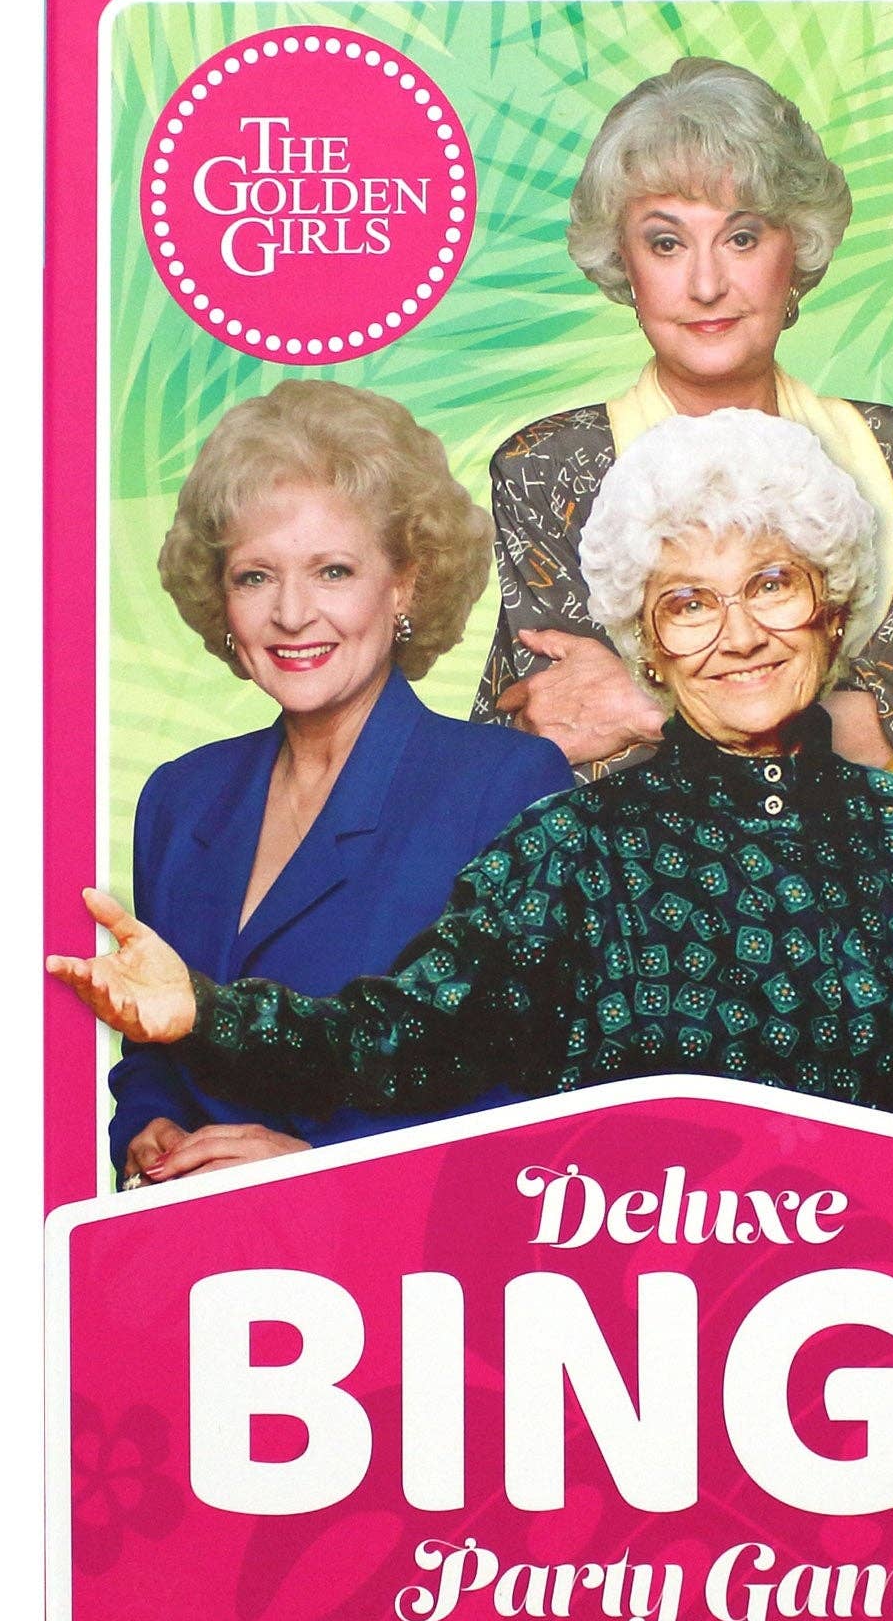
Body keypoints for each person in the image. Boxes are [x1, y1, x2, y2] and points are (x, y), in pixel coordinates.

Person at [52, 412, 893, 1151]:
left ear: (831, 605)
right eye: (688, 603)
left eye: (772, 585)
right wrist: (200, 1012)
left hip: (885, 1356)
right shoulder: (569, 848)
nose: (737, 635)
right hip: (629, 1365)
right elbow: (388, 1045)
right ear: (647, 643)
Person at [108, 380, 573, 1187]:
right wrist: (149, 1126)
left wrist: (323, 1170)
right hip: (191, 1238)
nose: (292, 615)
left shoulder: (504, 785)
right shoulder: (180, 798)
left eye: (332, 571)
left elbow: (539, 1085)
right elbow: (153, 1044)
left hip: (394, 1246)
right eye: (255, 576)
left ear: (405, 585)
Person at [472, 56, 893, 777]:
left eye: (742, 238)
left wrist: (650, 711)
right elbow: (561, 745)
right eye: (667, 243)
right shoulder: (550, 467)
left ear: (796, 247)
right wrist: (826, 719)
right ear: (624, 261)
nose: (707, 284)